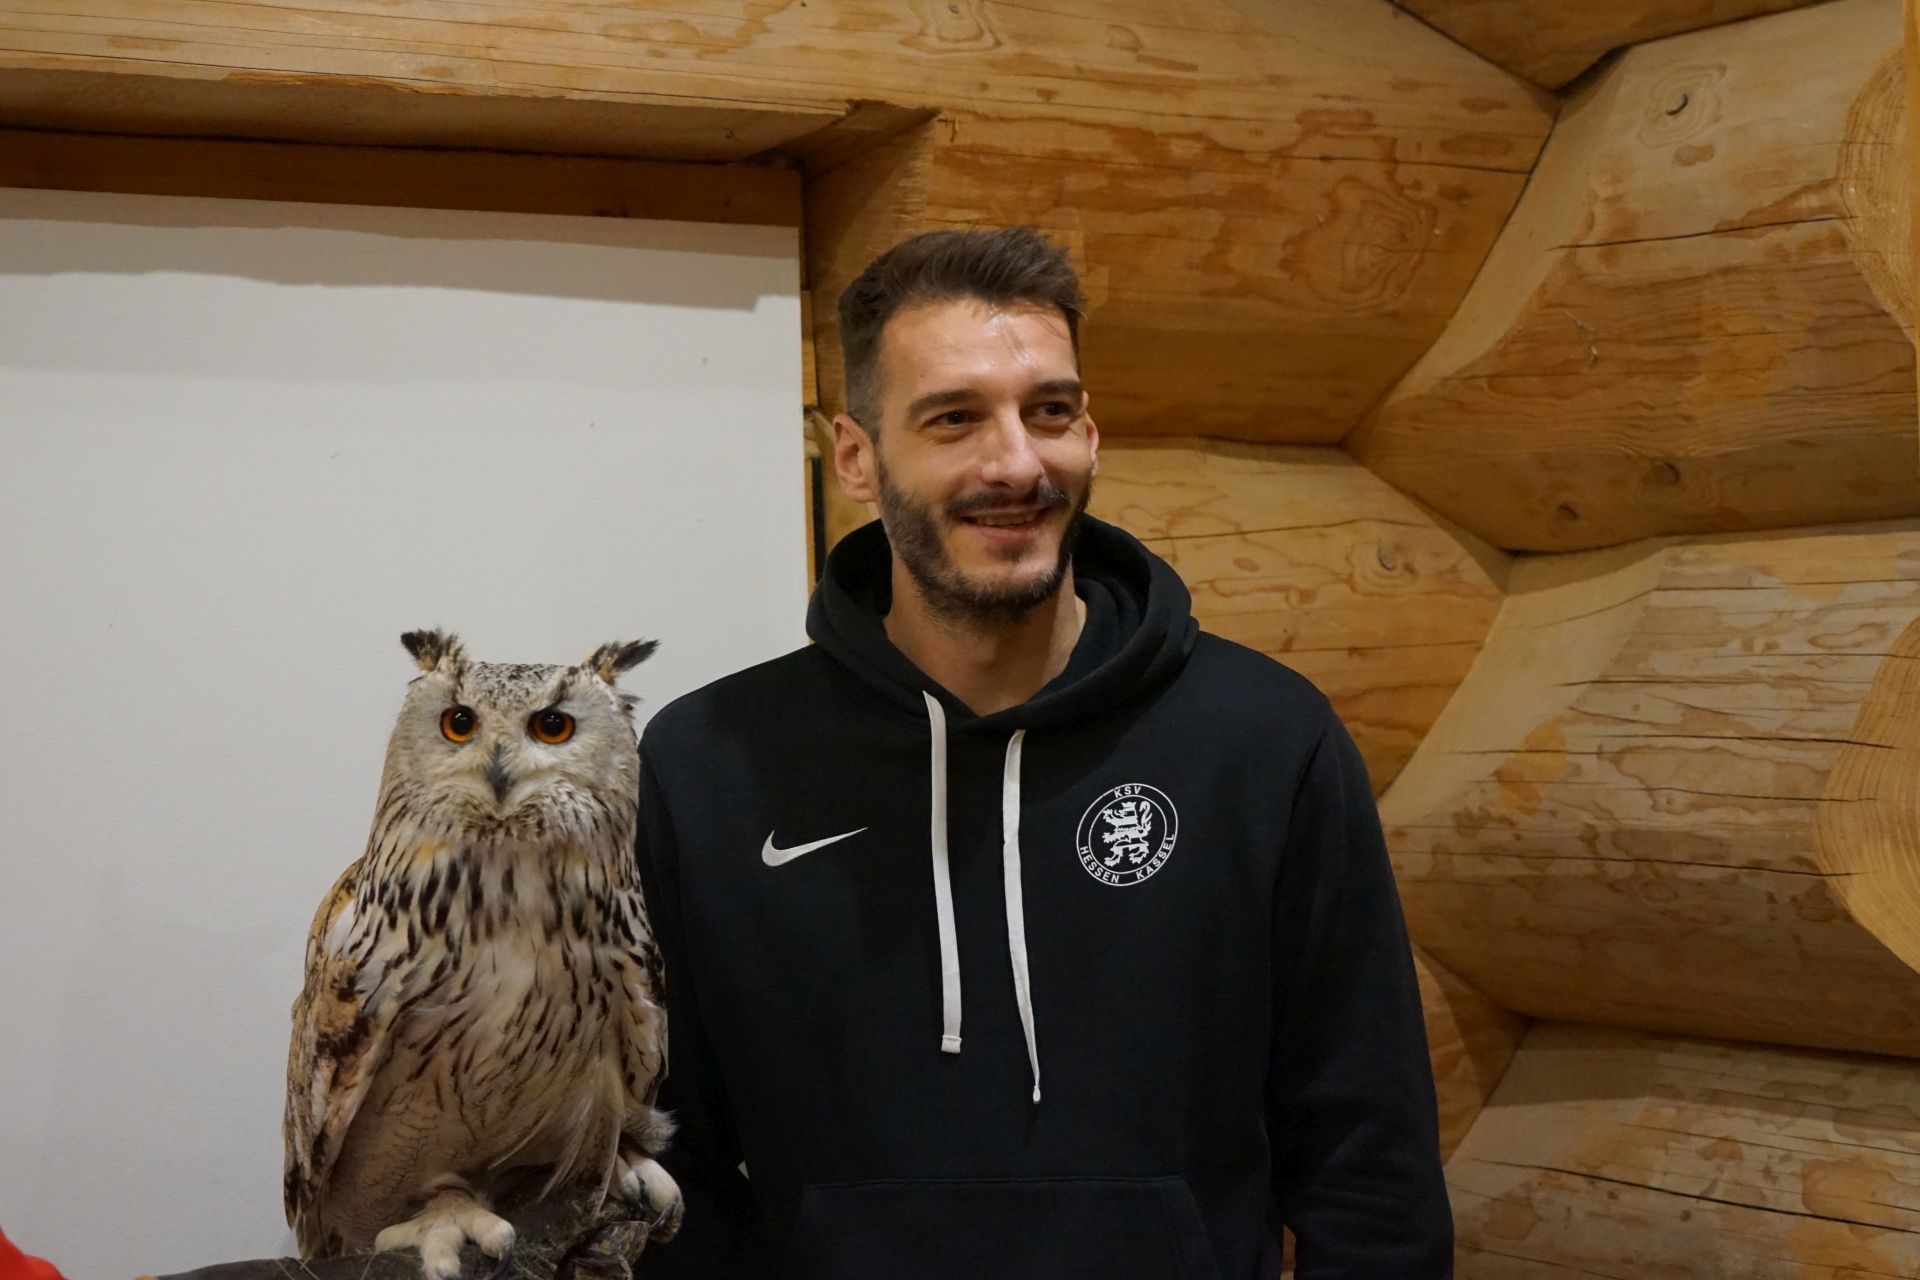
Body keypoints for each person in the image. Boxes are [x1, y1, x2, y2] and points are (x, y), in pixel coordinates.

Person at [632, 226, 1452, 1278]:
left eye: (1049, 411)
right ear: (856, 456)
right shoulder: (707, 767)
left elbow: (1371, 1165)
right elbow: (667, 1163)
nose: (1016, 462)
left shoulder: (1264, 742)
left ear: (1090, 434)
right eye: (954, 418)